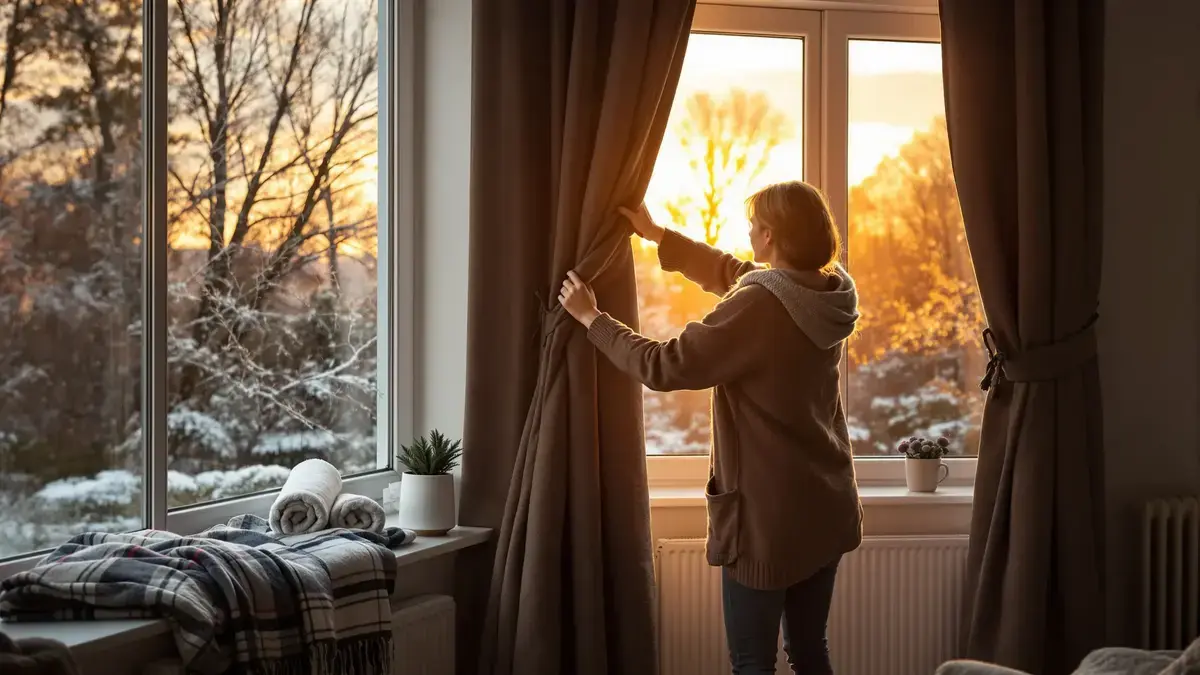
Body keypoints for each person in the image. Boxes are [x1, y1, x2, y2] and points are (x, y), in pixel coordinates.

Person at [558, 180, 863, 675]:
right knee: (810, 651)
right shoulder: (829, 293)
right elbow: (739, 275)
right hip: (826, 506)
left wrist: (593, 318)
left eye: (754, 225)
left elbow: (665, 366)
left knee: (752, 663)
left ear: (771, 236)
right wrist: (661, 237)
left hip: (767, 521)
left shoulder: (762, 305)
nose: (748, 231)